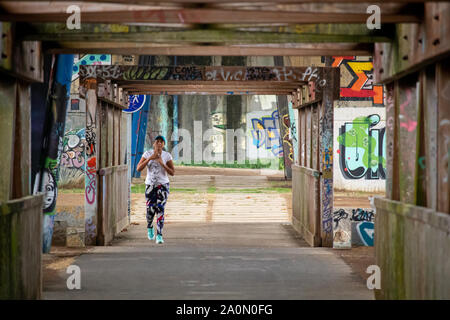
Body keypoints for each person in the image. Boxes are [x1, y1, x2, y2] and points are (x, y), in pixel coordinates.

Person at [136, 135, 175, 244]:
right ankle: (149, 227)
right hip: (150, 186)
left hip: (162, 185)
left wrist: (163, 163)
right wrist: (150, 158)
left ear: (164, 145)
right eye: (157, 141)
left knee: (160, 209)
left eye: (161, 142)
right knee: (150, 210)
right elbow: (138, 168)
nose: (159, 143)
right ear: (154, 144)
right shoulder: (147, 154)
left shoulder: (167, 156)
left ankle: (159, 235)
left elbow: (172, 172)